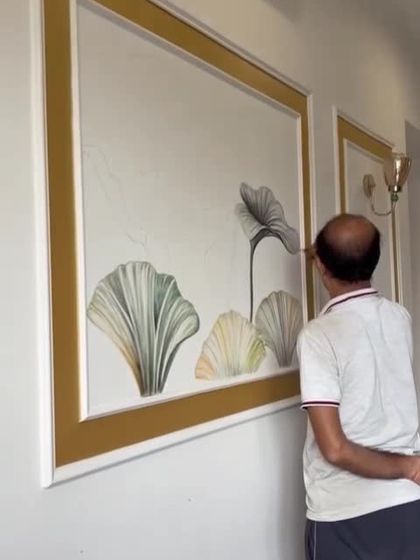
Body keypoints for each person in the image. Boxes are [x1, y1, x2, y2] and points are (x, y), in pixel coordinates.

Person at [298, 213, 420, 560]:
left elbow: (335, 449)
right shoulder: (399, 317)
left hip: (344, 512)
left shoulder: (318, 335)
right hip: (407, 504)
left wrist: (407, 466)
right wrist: (409, 469)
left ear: (321, 266)